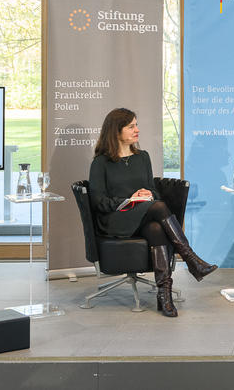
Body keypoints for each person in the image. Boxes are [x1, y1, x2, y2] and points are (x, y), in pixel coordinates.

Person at [89, 107, 217, 317]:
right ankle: (191, 259)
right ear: (116, 131)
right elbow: (99, 202)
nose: (137, 130)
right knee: (158, 208)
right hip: (116, 219)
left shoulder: (142, 157)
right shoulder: (101, 163)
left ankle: (164, 295)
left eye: (136, 125)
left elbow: (155, 193)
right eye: (131, 126)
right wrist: (130, 199)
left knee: (157, 227)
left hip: (142, 215)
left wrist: (147, 194)